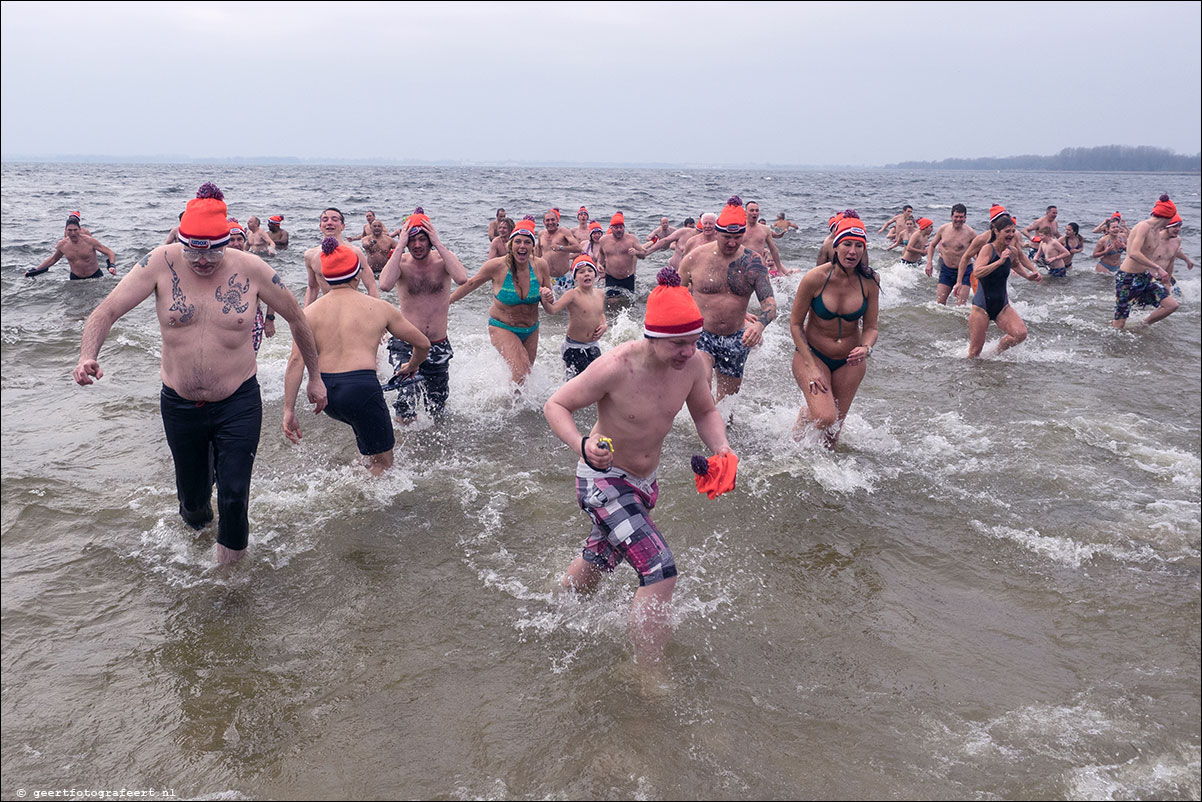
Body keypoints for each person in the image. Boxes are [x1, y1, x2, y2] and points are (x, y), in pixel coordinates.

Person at [71, 183, 326, 566]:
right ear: (181, 240)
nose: (204, 261)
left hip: (238, 401)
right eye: (194, 251)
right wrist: (86, 355)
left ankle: (229, 586)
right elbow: (106, 311)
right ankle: (200, 535)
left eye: (214, 251)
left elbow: (298, 319)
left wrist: (315, 377)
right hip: (180, 404)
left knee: (235, 496)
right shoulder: (159, 262)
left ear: (229, 241)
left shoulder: (253, 269)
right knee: (192, 504)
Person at [543, 267, 733, 667]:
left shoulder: (694, 364)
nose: (689, 351)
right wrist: (582, 443)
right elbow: (555, 405)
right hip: (602, 480)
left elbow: (705, 411)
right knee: (660, 570)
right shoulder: (617, 366)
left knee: (599, 560)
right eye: (679, 343)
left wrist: (722, 449)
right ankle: (648, 675)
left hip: (644, 484)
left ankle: (552, 613)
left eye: (694, 341)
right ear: (654, 337)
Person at [283, 237, 429, 476]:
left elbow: (295, 362)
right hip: (361, 388)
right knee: (385, 463)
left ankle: (359, 472)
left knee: (366, 441)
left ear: (325, 277)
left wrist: (288, 410)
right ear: (357, 276)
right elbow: (422, 344)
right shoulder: (379, 308)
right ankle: (363, 500)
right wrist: (412, 365)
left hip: (328, 395)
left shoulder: (308, 313)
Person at [789, 216, 880, 448]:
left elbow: (871, 327)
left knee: (833, 432)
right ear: (836, 246)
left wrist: (866, 348)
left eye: (859, 245)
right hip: (813, 354)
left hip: (850, 361)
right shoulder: (815, 278)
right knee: (824, 417)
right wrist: (811, 366)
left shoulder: (869, 281)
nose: (852, 251)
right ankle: (800, 428)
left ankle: (823, 477)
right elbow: (795, 325)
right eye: (847, 244)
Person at [678, 197, 776, 401]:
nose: (732, 243)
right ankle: (701, 428)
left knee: (726, 407)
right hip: (702, 334)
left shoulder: (753, 262)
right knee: (703, 386)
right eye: (726, 237)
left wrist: (759, 326)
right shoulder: (695, 258)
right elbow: (676, 296)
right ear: (717, 232)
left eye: (737, 237)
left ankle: (719, 430)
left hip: (736, 338)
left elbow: (770, 305)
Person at [378, 208, 469, 422]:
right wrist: (399, 245)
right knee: (407, 396)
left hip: (438, 343)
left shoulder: (443, 260)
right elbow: (384, 285)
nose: (417, 245)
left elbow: (462, 278)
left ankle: (432, 450)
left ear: (429, 240)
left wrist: (438, 242)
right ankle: (404, 448)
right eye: (412, 240)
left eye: (422, 239)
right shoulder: (401, 262)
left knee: (436, 405)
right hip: (406, 342)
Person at [449, 217, 552, 385]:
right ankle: (502, 409)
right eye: (518, 241)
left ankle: (514, 408)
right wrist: (446, 303)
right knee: (521, 373)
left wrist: (548, 296)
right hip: (502, 326)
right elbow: (470, 284)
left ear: (533, 246)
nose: (522, 246)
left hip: (531, 329)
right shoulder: (496, 266)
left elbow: (549, 305)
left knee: (526, 376)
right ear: (510, 245)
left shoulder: (541, 266)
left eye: (527, 242)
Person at [967, 213, 1043, 357]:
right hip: (982, 307)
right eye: (1007, 231)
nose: (1011, 234)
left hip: (1002, 305)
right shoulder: (988, 249)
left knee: (1020, 334)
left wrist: (1029, 276)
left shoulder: (1012, 251)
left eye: (1013, 231)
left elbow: (1016, 264)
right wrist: (999, 262)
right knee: (975, 352)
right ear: (997, 231)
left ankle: (995, 353)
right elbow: (977, 272)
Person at [1112, 195, 1181, 330]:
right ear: (1168, 216)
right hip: (1127, 278)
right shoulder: (1144, 226)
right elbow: (1133, 253)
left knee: (1171, 305)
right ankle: (1113, 346)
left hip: (1145, 277)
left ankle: (1142, 325)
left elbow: (1159, 255)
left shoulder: (1157, 231)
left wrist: (1165, 282)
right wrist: (1157, 267)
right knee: (1120, 323)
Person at [542, 255, 608, 379]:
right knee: (575, 384)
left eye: (590, 271)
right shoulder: (572, 294)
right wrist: (545, 300)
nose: (586, 274)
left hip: (593, 345)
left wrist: (604, 325)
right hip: (574, 347)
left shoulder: (600, 294)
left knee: (597, 380)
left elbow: (600, 313)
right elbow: (553, 310)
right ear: (575, 278)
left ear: (595, 274)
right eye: (581, 272)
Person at [304, 208, 379, 305]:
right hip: (328, 306)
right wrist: (305, 315)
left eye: (334, 219)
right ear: (320, 226)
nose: (329, 223)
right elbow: (312, 288)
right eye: (325, 220)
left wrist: (375, 312)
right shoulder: (311, 255)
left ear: (342, 226)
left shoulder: (355, 252)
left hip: (352, 305)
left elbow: (371, 285)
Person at [228, 219, 276, 351]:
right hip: (225, 324)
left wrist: (270, 320)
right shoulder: (216, 264)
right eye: (231, 240)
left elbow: (274, 291)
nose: (236, 244)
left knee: (249, 365)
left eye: (239, 239)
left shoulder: (255, 263)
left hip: (253, 322)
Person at [28, 213, 118, 279]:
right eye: (70, 230)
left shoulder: (90, 241)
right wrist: (36, 270)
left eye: (75, 230)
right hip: (75, 278)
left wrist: (112, 266)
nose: (73, 233)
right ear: (65, 231)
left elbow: (109, 253)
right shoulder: (62, 244)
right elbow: (53, 259)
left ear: (80, 229)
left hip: (95, 276)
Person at [954, 204, 1009, 304]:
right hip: (981, 277)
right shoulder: (982, 238)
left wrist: (1030, 273)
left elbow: (1019, 257)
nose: (1006, 223)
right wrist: (959, 281)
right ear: (993, 224)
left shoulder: (1010, 237)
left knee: (1000, 304)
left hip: (997, 277)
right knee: (982, 305)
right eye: (1002, 221)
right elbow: (965, 257)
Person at [925, 204, 976, 304]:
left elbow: (978, 251)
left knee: (961, 305)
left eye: (961, 217)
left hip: (965, 271)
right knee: (940, 303)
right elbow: (932, 245)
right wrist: (929, 262)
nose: (958, 219)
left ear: (965, 218)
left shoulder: (971, 233)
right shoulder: (943, 229)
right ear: (951, 217)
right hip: (946, 270)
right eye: (956, 217)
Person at [596, 212, 647, 302]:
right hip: (611, 277)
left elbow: (643, 255)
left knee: (629, 302)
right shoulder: (604, 240)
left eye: (621, 227)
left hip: (628, 277)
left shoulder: (631, 239)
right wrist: (599, 264)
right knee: (611, 302)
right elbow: (601, 254)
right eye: (616, 227)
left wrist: (636, 252)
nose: (619, 230)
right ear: (611, 228)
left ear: (624, 228)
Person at [538, 208, 582, 296]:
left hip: (564, 276)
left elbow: (578, 248)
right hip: (549, 278)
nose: (550, 222)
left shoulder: (563, 232)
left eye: (552, 220)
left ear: (557, 220)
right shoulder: (541, 234)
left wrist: (561, 247)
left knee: (569, 304)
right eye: (547, 220)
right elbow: (538, 254)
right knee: (549, 303)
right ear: (544, 222)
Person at [743, 201, 787, 272]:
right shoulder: (740, 228)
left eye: (757, 210)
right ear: (745, 212)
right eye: (751, 210)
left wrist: (780, 270)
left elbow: (773, 250)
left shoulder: (765, 229)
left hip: (759, 266)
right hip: (742, 266)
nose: (754, 213)